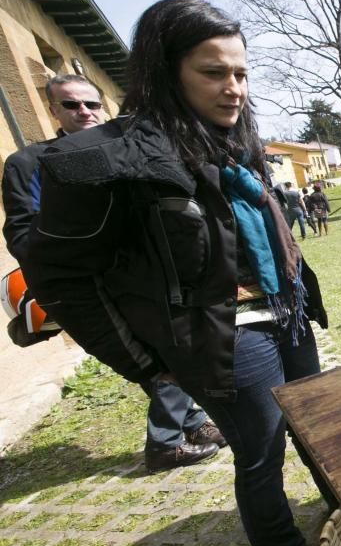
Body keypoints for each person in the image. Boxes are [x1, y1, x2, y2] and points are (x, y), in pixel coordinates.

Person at [22, 0, 338, 546]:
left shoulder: (232, 142)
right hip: (225, 335)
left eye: (241, 72)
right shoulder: (109, 160)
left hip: (286, 311)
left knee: (316, 426)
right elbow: (57, 275)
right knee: (262, 448)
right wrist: (145, 364)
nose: (234, 88)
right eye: (213, 72)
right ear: (167, 72)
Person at [1, 74, 224, 472]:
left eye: (92, 104)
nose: (84, 111)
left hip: (136, 277)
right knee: (150, 362)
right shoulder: (29, 162)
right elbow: (23, 234)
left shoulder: (122, 148)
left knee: (165, 351)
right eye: (71, 105)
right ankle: (164, 444)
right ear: (52, 110)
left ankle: (190, 424)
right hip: (86, 285)